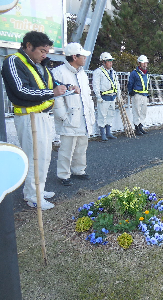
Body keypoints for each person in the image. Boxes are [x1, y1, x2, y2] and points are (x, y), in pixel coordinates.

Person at [1, 31, 80, 210]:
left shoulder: (40, 65)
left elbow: (52, 84)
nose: (45, 55)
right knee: (34, 156)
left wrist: (67, 87)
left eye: (47, 51)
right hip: (29, 117)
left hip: (43, 116)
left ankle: (39, 189)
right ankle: (32, 195)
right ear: (28, 46)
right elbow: (21, 90)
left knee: (44, 156)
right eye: (42, 51)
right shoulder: (14, 61)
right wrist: (52, 93)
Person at [52, 43, 95, 186]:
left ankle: (79, 170)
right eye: (82, 56)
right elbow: (57, 99)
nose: (84, 58)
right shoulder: (59, 72)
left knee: (81, 146)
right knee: (66, 148)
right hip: (69, 117)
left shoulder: (82, 73)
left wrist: (91, 114)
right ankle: (63, 175)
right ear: (75, 57)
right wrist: (63, 117)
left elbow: (87, 96)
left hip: (83, 116)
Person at [92, 52, 121, 141]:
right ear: (104, 62)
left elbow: (117, 84)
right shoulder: (98, 72)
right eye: (108, 61)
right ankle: (103, 134)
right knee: (102, 115)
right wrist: (98, 96)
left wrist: (118, 95)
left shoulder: (113, 72)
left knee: (110, 114)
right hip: (103, 97)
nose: (110, 63)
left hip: (112, 96)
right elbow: (95, 84)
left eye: (111, 61)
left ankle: (108, 132)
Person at [127, 55, 150, 135]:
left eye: (146, 63)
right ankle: (137, 128)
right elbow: (130, 83)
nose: (144, 64)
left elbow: (146, 84)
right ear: (139, 63)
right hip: (137, 95)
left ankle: (140, 126)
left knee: (143, 111)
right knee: (136, 111)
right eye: (143, 63)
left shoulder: (146, 73)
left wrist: (148, 93)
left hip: (144, 95)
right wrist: (130, 91)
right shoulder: (134, 73)